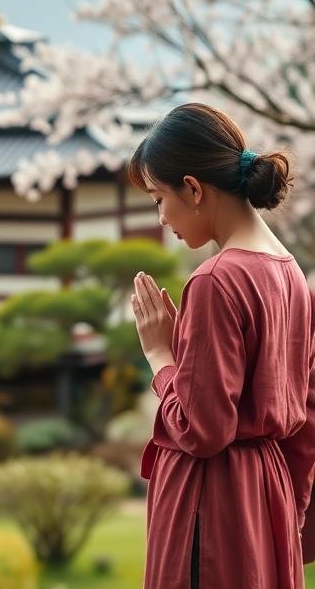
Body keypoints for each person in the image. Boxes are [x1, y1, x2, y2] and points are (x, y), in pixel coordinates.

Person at [129, 102, 315, 588]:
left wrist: (160, 356)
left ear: (192, 189)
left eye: (157, 198)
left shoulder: (216, 280)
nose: (161, 218)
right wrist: (288, 514)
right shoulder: (292, 275)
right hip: (265, 497)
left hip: (210, 509)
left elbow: (202, 429)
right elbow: (307, 416)